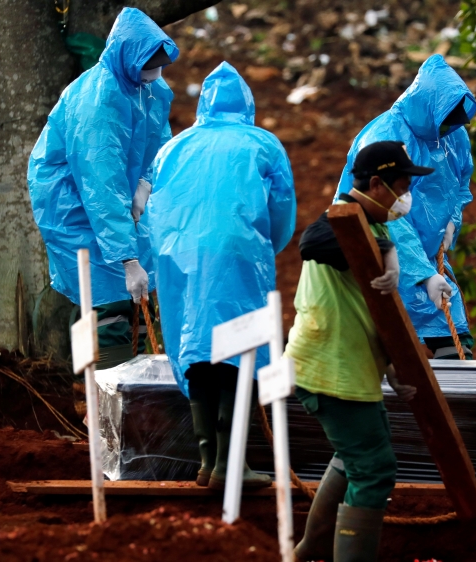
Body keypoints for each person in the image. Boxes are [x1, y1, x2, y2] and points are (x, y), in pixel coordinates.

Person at [147, 62, 295, 491]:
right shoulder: (262, 144)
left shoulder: (172, 148)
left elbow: (156, 209)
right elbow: (281, 212)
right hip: (237, 255)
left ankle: (208, 461)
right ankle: (233, 465)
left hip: (180, 262)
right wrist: (267, 248)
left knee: (196, 353)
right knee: (237, 350)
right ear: (246, 105)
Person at [288, 141, 428, 562]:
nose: (407, 196)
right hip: (330, 368)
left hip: (349, 369)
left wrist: (392, 366)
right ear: (376, 184)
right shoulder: (341, 218)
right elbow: (311, 243)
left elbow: (374, 310)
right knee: (374, 469)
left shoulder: (376, 224)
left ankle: (309, 550)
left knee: (355, 458)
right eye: (403, 186)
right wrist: (385, 251)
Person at [28, 7, 177, 369]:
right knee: (104, 298)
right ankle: (98, 394)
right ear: (128, 58)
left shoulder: (151, 88)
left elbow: (160, 140)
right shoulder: (98, 102)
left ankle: (133, 392)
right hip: (74, 204)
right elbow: (101, 186)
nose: (155, 75)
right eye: (149, 67)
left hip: (119, 195)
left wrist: (147, 181)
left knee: (137, 298)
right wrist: (127, 259)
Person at [335, 54, 476, 359]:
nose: (451, 126)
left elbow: (460, 184)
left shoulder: (454, 136)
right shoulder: (386, 136)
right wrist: (425, 276)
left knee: (451, 337)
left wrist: (451, 223)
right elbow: (387, 219)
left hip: (424, 253)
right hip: (377, 253)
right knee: (385, 342)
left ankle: (451, 399)